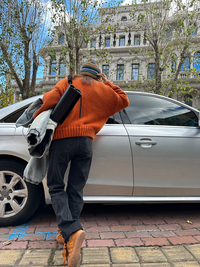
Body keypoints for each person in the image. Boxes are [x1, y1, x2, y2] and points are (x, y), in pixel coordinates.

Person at [33, 61, 129, 267]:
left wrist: (35, 119)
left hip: (62, 140)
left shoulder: (67, 82)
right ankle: (67, 234)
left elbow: (47, 103)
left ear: (80, 72)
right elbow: (123, 100)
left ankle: (71, 230)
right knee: (76, 188)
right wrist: (107, 82)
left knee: (56, 185)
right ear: (97, 76)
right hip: (86, 143)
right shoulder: (103, 90)